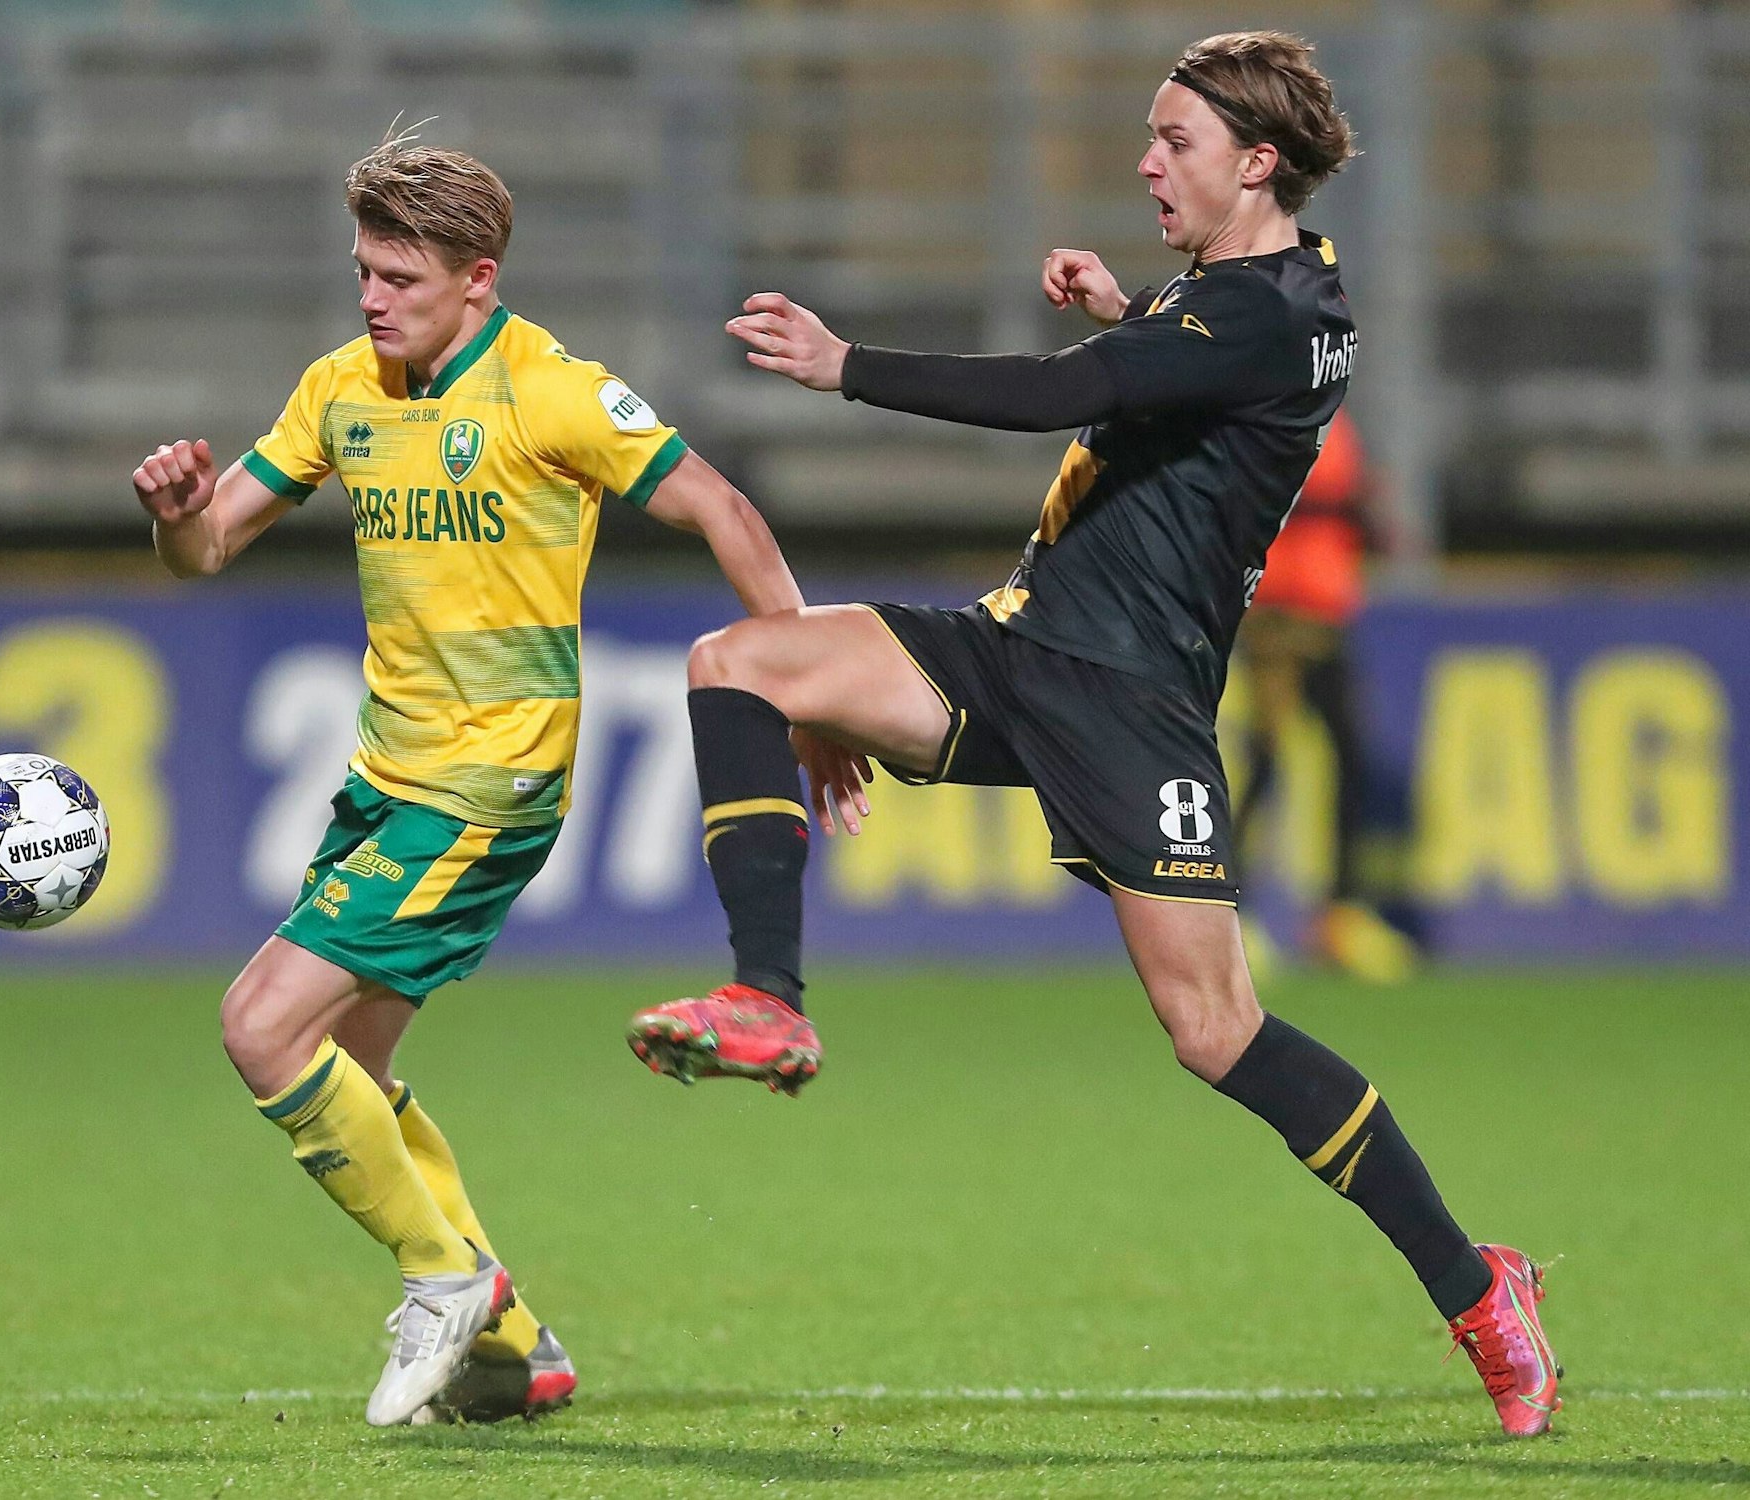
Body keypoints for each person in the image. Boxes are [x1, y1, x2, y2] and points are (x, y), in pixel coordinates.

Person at [625, 32, 1561, 1437]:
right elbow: (1186, 387)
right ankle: (768, 998)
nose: (1145, 161)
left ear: (1257, 161)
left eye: (1172, 139)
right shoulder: (1251, 297)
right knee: (738, 663)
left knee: (1214, 1031)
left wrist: (845, 366)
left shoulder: (1265, 308)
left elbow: (1067, 396)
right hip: (1016, 650)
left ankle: (1478, 1284)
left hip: (1133, 707)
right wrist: (1129, 307)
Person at [132, 130, 810, 1428]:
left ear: (478, 280)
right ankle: (509, 1346)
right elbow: (209, 545)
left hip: (490, 785)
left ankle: (443, 1273)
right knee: (350, 1073)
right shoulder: (342, 386)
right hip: (386, 778)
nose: (374, 298)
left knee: (261, 1025)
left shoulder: (551, 394)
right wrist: (174, 513)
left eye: (399, 276)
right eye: (364, 272)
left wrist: (805, 679)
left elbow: (722, 509)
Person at [1232, 407, 1420, 982]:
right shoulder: (1261, 409)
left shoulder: (1338, 421)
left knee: (1348, 757)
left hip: (1326, 612)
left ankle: (1338, 914)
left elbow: (1355, 505)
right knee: (1265, 760)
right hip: (1275, 615)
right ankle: (1226, 915)